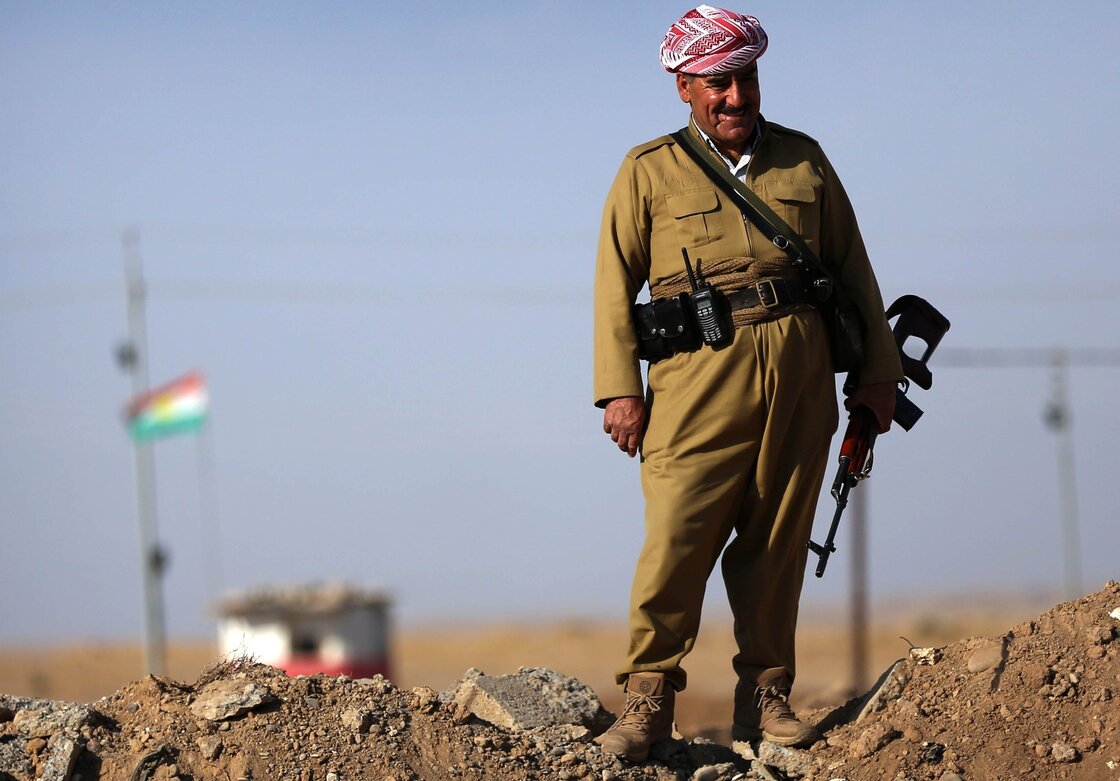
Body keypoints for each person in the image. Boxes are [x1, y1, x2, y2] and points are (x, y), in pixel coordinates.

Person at [592, 5, 904, 761]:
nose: (737, 98)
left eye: (748, 79)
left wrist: (878, 375)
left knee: (780, 541)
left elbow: (854, 271)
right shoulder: (648, 170)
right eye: (720, 84)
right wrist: (619, 388)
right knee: (676, 537)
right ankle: (648, 696)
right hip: (695, 381)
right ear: (686, 89)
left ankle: (764, 697)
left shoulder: (805, 161)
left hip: (799, 380)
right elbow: (611, 284)